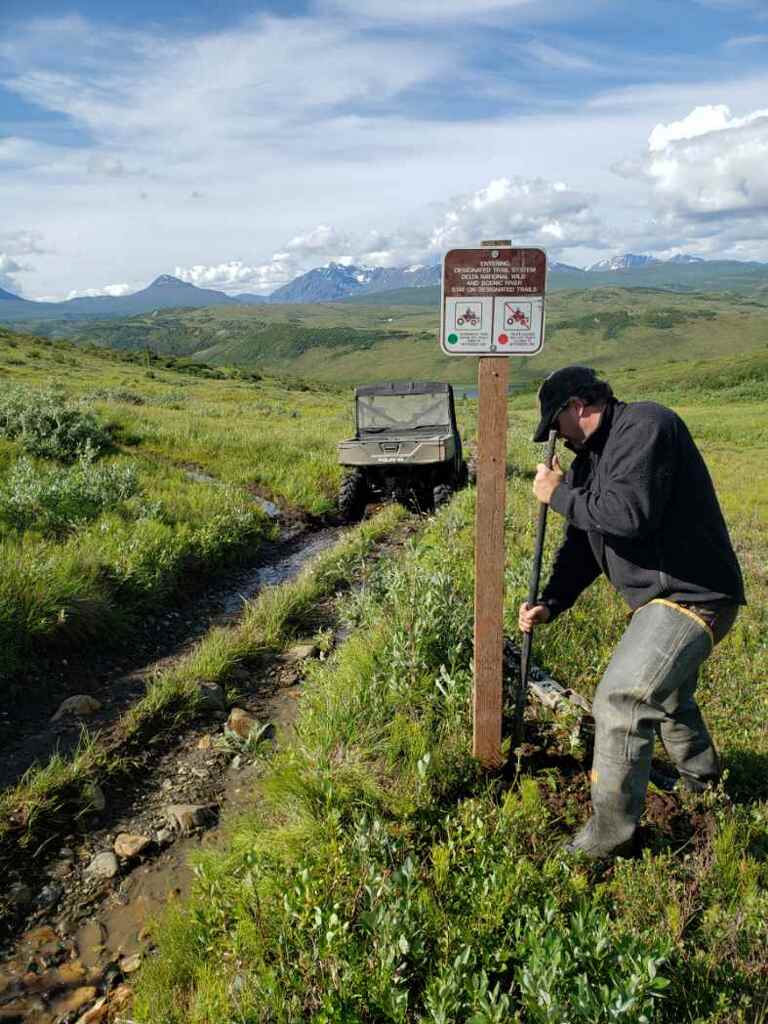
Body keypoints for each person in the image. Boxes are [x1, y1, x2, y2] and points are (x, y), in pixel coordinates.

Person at [519, 365, 745, 859]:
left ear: (578, 407)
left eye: (555, 426)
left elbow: (629, 515)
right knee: (668, 698)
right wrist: (550, 603)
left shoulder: (646, 427)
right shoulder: (589, 464)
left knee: (622, 701)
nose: (555, 438)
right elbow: (580, 549)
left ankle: (608, 839)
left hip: (694, 594)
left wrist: (557, 495)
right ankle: (707, 790)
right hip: (663, 600)